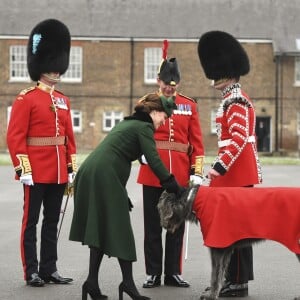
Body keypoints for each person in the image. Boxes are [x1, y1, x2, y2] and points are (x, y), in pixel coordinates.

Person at [69, 93, 183, 300]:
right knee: (122, 231)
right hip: (103, 176)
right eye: (163, 117)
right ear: (154, 112)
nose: (164, 122)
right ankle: (127, 284)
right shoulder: (144, 127)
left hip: (93, 173)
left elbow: (114, 155)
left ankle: (91, 283)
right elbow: (153, 159)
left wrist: (121, 192)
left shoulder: (129, 124)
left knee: (100, 228)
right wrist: (172, 184)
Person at [6, 19, 77, 287]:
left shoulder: (63, 100)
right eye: (52, 64)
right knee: (31, 224)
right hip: (35, 171)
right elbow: (15, 137)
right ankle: (31, 271)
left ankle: (50, 268)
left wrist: (70, 168)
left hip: (58, 171)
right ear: (41, 66)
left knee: (51, 224)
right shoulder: (27, 98)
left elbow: (69, 138)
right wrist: (23, 168)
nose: (56, 70)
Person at [197, 30, 262, 297]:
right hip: (232, 175)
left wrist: (218, 168)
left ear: (227, 73)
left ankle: (236, 281)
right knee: (232, 230)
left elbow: (237, 141)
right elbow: (229, 142)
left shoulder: (235, 100)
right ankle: (232, 278)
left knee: (235, 231)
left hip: (235, 176)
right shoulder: (230, 99)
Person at [137, 40, 205, 289]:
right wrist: (140, 155)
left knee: (176, 225)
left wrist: (196, 172)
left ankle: (173, 272)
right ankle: (153, 273)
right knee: (153, 226)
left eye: (173, 86)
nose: (169, 89)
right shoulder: (146, 103)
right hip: (153, 172)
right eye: (166, 85)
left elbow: (197, 143)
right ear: (159, 81)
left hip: (179, 173)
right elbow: (136, 133)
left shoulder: (190, 105)